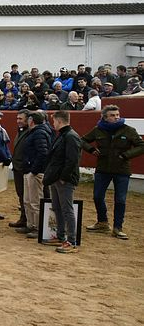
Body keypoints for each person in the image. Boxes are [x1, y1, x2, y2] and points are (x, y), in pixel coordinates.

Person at [81, 105, 144, 240]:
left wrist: (126, 155)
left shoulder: (128, 130)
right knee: (97, 196)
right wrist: (91, 150)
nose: (116, 117)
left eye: (117, 115)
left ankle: (117, 228)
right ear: (105, 117)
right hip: (103, 169)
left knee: (120, 200)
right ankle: (102, 222)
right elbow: (82, 140)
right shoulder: (98, 130)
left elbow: (141, 146)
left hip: (122, 170)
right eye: (112, 115)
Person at [43, 110, 82, 253]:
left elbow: (72, 160)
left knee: (67, 210)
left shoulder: (70, 136)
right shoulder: (65, 135)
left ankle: (71, 241)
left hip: (64, 179)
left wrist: (64, 177)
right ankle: (60, 236)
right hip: (57, 177)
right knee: (58, 208)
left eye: (54, 121)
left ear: (59, 121)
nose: (53, 124)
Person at [21, 111, 52, 239]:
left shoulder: (39, 133)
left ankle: (38, 227)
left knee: (35, 201)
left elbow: (43, 153)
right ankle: (31, 224)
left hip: (35, 172)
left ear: (31, 121)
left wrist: (34, 170)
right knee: (28, 200)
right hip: (31, 170)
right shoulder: (37, 132)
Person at [9, 110, 30, 230]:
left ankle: (27, 220)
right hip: (18, 167)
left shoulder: (30, 132)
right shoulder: (21, 131)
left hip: (24, 168)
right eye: (17, 119)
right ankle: (24, 218)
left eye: (21, 119)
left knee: (27, 196)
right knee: (21, 194)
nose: (18, 121)